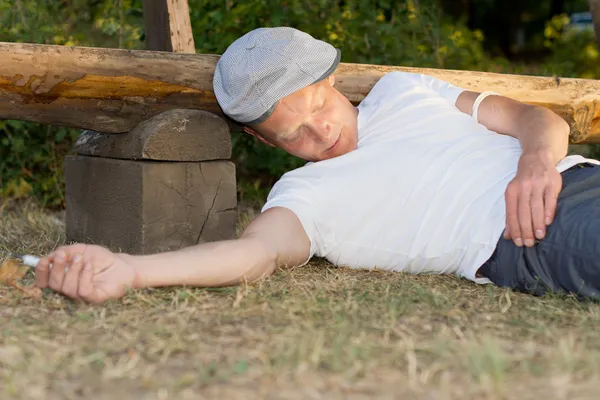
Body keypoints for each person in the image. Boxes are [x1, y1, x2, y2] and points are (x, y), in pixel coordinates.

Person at [35, 27, 600, 303]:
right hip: (531, 236)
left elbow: (539, 120)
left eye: (321, 105)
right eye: (295, 132)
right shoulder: (306, 193)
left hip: (573, 176)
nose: (322, 132)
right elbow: (252, 254)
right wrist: (132, 270)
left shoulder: (403, 91)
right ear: (263, 138)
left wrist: (535, 162)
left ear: (332, 81)